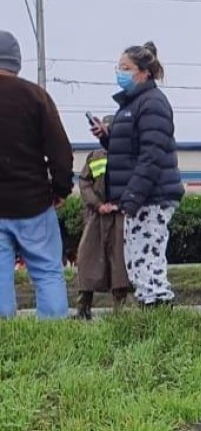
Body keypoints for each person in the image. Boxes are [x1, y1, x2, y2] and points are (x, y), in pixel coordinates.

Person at [90, 41, 184, 308]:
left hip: (152, 196)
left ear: (143, 72)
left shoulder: (152, 103)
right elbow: (130, 151)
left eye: (125, 67)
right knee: (136, 259)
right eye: (118, 67)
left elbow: (151, 155)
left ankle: (158, 311)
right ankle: (149, 309)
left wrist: (131, 196)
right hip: (140, 195)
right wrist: (108, 139)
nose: (120, 72)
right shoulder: (133, 104)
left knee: (147, 257)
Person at [0, 30, 74, 319]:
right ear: (16, 62)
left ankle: (4, 335)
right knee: (47, 271)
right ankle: (54, 333)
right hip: (33, 203)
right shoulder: (36, 96)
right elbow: (60, 151)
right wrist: (60, 190)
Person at [73, 115, 131, 319]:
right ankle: (83, 308)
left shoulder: (127, 156)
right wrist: (98, 205)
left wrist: (123, 204)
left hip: (119, 217)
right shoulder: (96, 156)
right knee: (88, 259)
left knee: (120, 264)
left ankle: (120, 310)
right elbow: (84, 182)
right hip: (97, 217)